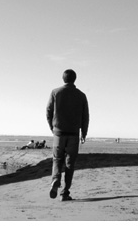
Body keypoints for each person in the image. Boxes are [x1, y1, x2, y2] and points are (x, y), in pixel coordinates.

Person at [46, 69, 89, 202]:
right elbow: (85, 116)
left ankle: (56, 180)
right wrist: (84, 133)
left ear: (63, 78)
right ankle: (65, 193)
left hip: (59, 132)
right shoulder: (81, 95)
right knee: (70, 164)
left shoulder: (55, 92)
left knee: (57, 159)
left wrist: (52, 127)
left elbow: (48, 111)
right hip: (74, 134)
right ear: (74, 79)